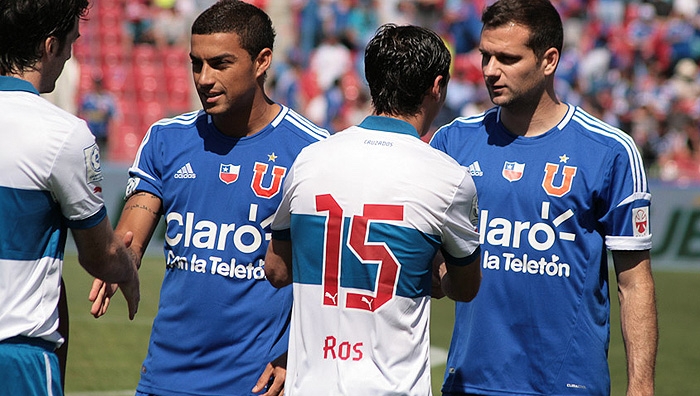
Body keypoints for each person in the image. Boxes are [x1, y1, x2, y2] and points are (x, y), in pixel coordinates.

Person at [89, 1, 329, 395]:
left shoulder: (313, 153)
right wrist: (120, 263)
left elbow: (327, 276)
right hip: (164, 379)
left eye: (220, 63)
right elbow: (131, 235)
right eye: (195, 63)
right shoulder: (166, 140)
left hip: (256, 384)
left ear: (262, 61)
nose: (203, 78)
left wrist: (294, 354)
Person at [429, 0, 658, 395]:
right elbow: (430, 272)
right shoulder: (452, 141)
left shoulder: (610, 151)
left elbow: (634, 283)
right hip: (471, 383)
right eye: (485, 55)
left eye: (507, 58)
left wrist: (641, 386)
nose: (489, 70)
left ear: (549, 60)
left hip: (568, 385)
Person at [264, 23, 482, 395]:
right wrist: (436, 273)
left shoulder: (309, 160)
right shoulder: (450, 178)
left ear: (370, 79)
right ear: (437, 86)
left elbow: (277, 269)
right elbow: (464, 287)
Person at [0, 1, 140, 395]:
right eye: (71, 43)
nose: (71, 55)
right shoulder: (64, 135)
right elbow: (99, 255)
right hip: (16, 356)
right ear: (50, 46)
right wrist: (126, 271)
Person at [78, 76, 118, 158]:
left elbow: (113, 116)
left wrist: (113, 135)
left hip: (103, 133)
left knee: (103, 156)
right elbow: (80, 112)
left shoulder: (108, 99)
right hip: (91, 132)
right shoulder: (88, 98)